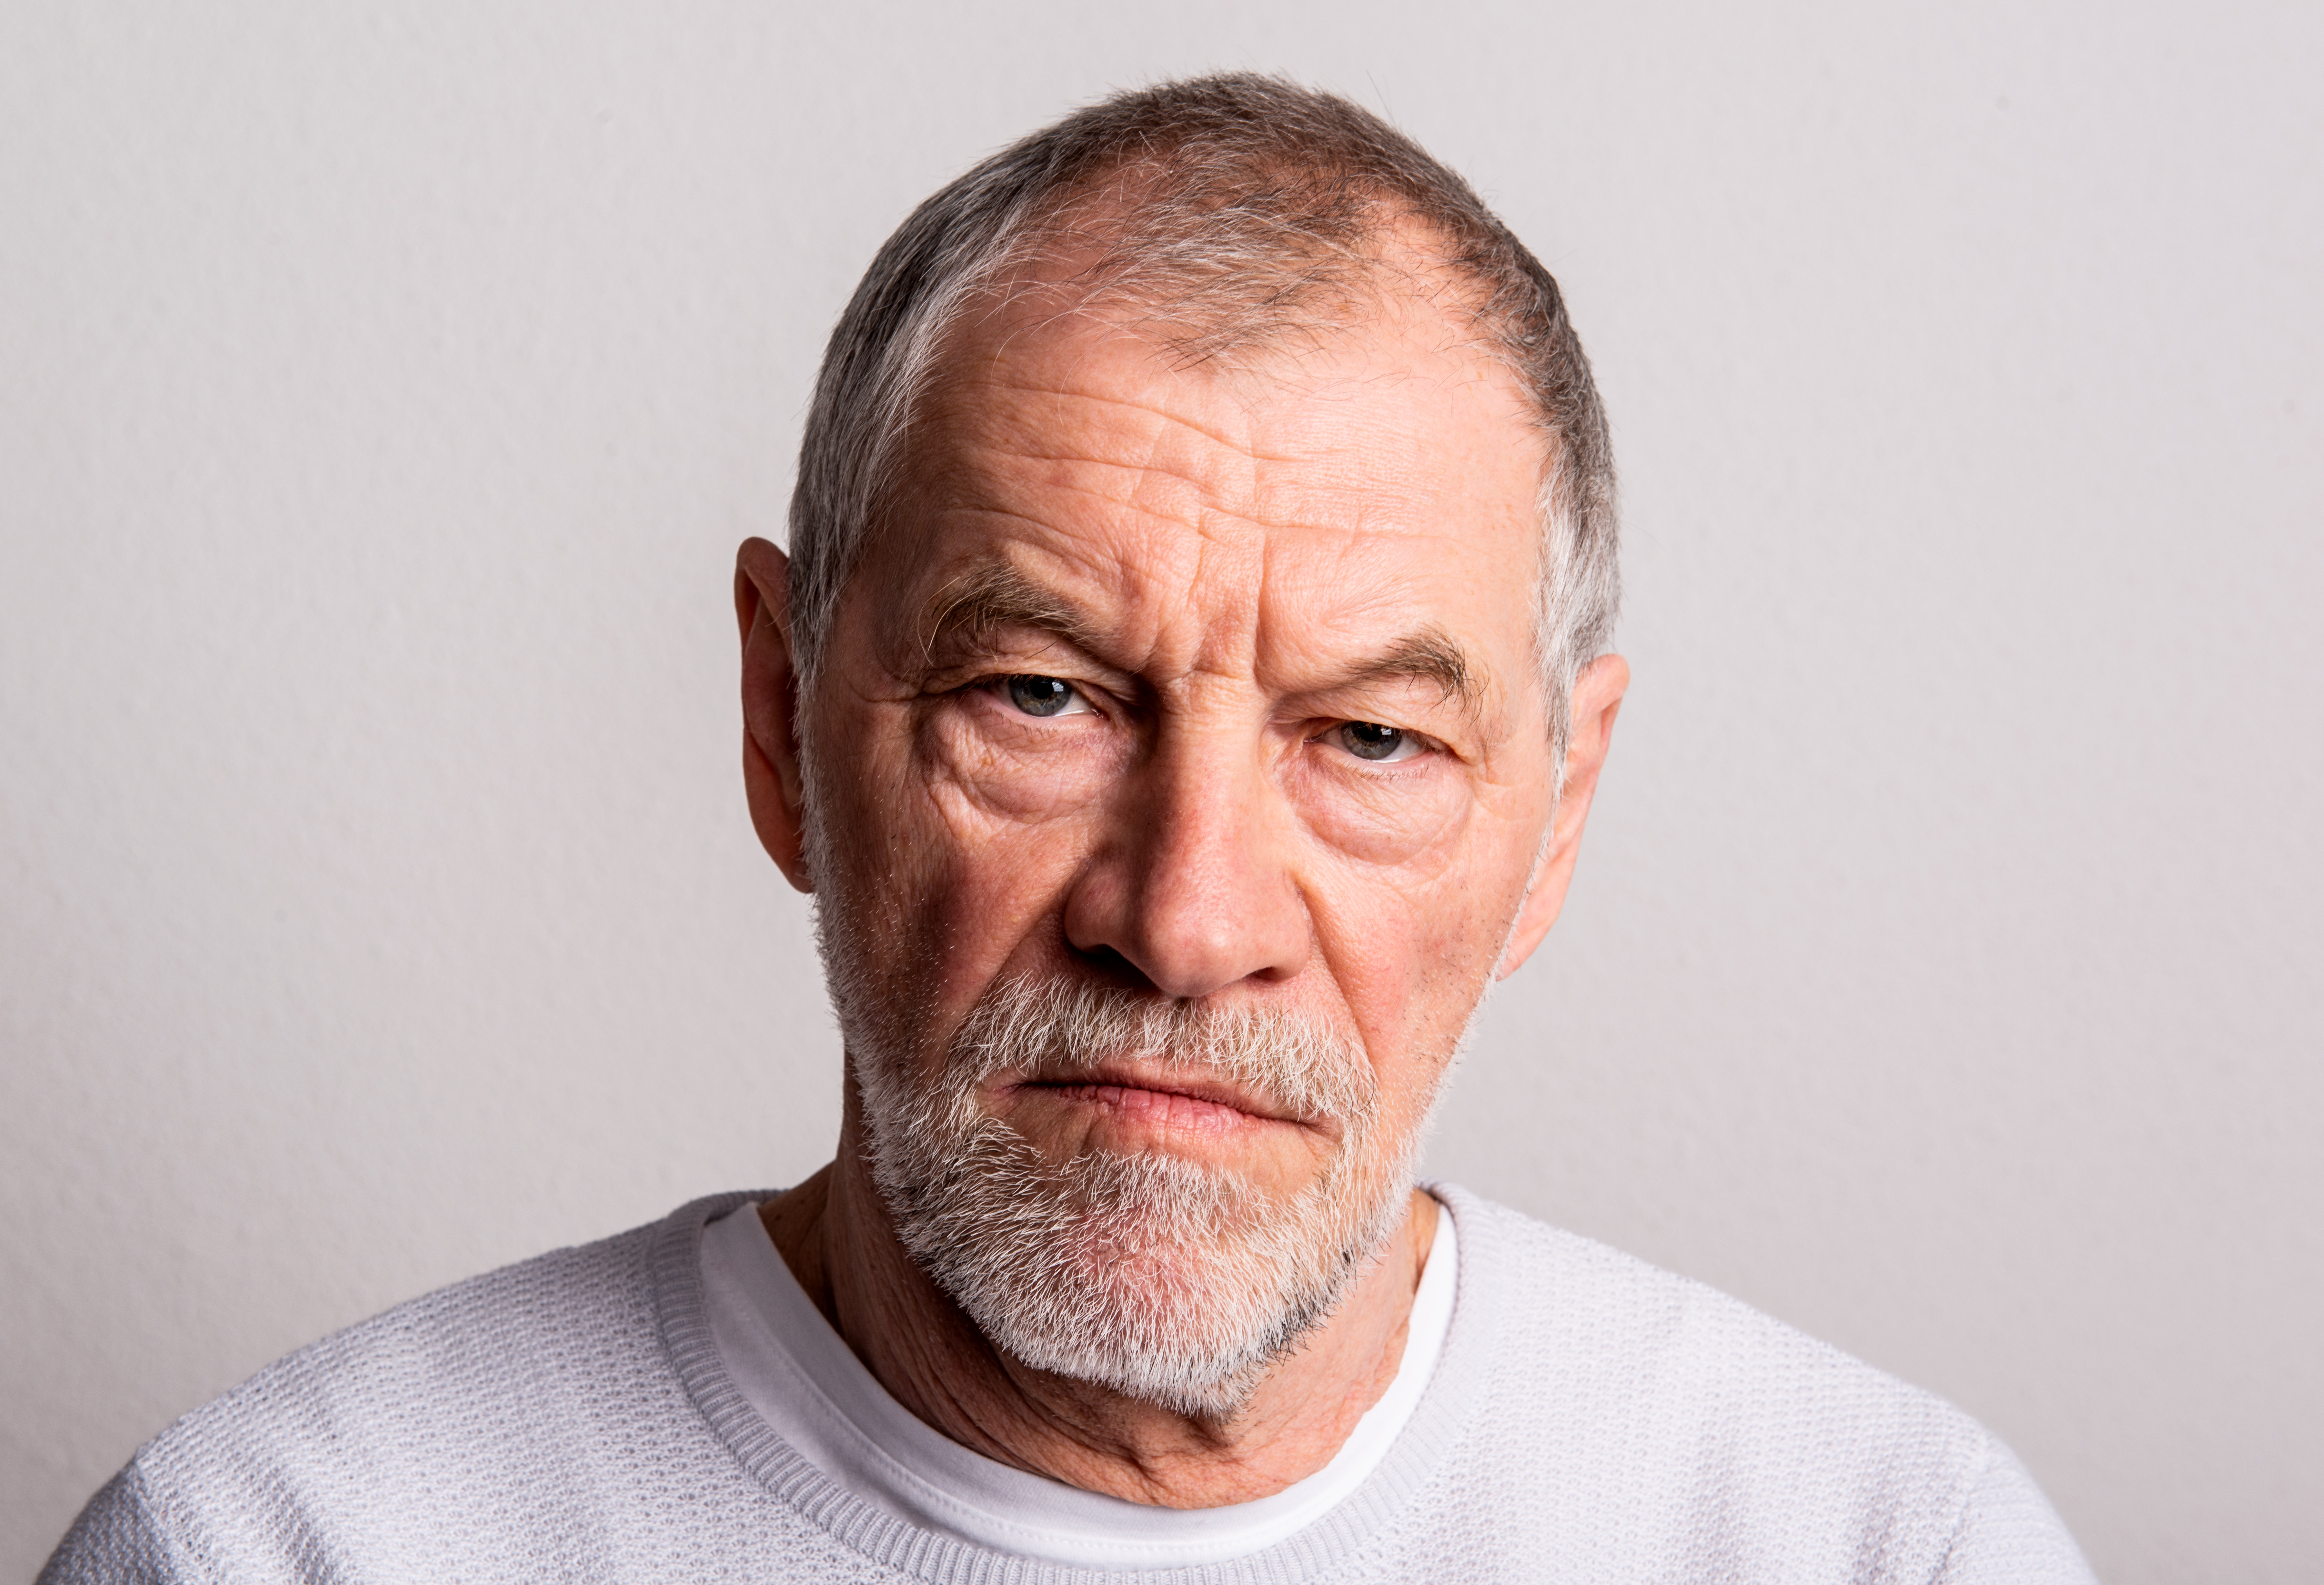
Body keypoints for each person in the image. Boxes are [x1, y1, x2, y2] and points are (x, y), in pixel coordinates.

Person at [42, 74, 2095, 1584]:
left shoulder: (1875, 1549)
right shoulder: (290, 1551)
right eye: (1040, 696)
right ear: (781, 719)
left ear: (1554, 820)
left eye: (1370, 739)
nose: (1187, 922)